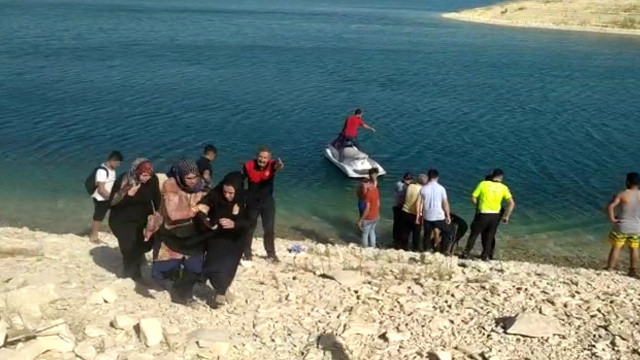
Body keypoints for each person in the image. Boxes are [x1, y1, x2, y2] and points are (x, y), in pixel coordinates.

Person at [151, 159, 209, 304]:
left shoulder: (201, 186)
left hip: (192, 232)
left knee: (195, 266)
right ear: (180, 176)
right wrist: (195, 209)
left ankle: (184, 293)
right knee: (162, 268)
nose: (192, 181)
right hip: (171, 232)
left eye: (195, 177)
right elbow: (173, 214)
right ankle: (170, 284)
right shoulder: (171, 186)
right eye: (188, 178)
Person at [198, 171, 248, 307]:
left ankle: (221, 291)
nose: (227, 195)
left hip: (236, 239)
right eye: (225, 192)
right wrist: (205, 218)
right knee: (213, 262)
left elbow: (249, 222)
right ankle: (210, 283)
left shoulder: (245, 198)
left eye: (231, 193)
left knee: (228, 266)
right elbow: (202, 205)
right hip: (217, 235)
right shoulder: (217, 193)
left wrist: (235, 224)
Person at [108, 158, 160, 280]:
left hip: (142, 219)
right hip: (122, 220)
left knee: (147, 243)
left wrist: (158, 213)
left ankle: (137, 257)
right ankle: (132, 274)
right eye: (144, 175)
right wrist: (127, 195)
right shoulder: (125, 180)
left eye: (149, 175)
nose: (147, 178)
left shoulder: (153, 180)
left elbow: (156, 197)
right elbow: (112, 202)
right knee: (128, 248)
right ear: (137, 172)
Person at [461, 168, 515, 261]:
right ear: (501, 177)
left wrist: (477, 206)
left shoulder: (483, 184)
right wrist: (506, 216)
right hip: (495, 216)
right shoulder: (504, 188)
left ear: (492, 175)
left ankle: (466, 254)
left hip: (483, 213)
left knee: (474, 234)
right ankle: (485, 256)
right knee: (489, 236)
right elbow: (511, 203)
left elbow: (473, 196)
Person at [242, 147, 284, 263]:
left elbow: (277, 166)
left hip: (267, 203)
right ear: (257, 156)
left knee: (269, 229)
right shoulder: (249, 165)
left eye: (265, 157)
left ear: (269, 159)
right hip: (252, 202)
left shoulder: (272, 165)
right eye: (260, 157)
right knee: (249, 228)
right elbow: (240, 181)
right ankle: (247, 253)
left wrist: (280, 165)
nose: (262, 159)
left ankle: (271, 254)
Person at [605, 172, 640, 277]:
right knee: (634, 248)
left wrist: (613, 219)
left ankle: (610, 268)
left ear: (627, 182)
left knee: (616, 247)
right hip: (637, 227)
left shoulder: (622, 194)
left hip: (622, 226)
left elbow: (610, 207)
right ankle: (632, 270)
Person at [416, 169, 453, 254]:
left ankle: (425, 250)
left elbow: (419, 203)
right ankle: (443, 250)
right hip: (439, 216)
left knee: (427, 234)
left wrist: (418, 216)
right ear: (437, 177)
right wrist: (448, 216)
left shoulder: (423, 189)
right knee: (447, 232)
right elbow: (445, 203)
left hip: (427, 216)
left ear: (428, 177)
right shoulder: (441, 189)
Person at [90, 151, 123, 244]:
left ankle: (112, 230)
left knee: (116, 214)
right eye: (118, 163)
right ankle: (93, 236)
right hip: (101, 198)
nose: (118, 165)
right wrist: (111, 197)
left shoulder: (112, 170)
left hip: (108, 197)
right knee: (98, 217)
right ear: (113, 161)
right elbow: (101, 189)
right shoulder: (102, 171)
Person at [399, 174, 427, 251]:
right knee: (416, 234)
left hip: (405, 211)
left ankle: (403, 248)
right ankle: (415, 249)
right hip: (416, 214)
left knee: (405, 232)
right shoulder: (422, 190)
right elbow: (419, 203)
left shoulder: (410, 186)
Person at [358, 168, 380, 248]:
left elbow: (367, 207)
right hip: (373, 212)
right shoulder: (374, 188)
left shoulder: (367, 186)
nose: (375, 176)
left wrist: (361, 220)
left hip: (366, 206)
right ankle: (373, 246)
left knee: (365, 233)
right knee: (372, 230)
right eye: (374, 174)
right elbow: (377, 202)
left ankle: (365, 248)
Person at [393, 173, 413, 249]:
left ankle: (398, 240)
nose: (408, 181)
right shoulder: (400, 185)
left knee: (401, 225)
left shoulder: (407, 186)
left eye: (409, 179)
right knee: (397, 224)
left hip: (402, 207)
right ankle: (396, 240)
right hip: (398, 207)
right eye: (407, 179)